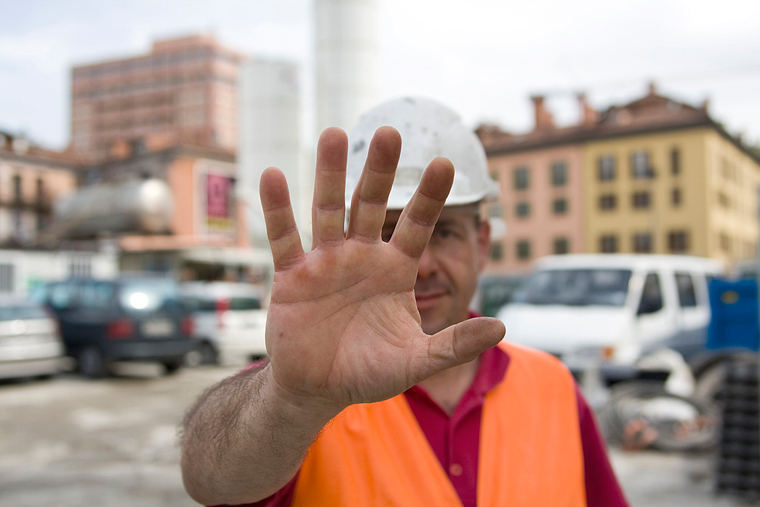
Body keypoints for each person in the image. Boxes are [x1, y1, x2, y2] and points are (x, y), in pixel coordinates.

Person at [180, 97, 630, 507]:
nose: (421, 264)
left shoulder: (552, 387)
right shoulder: (308, 386)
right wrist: (293, 401)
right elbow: (208, 480)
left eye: (446, 232)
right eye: (388, 236)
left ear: (484, 241)